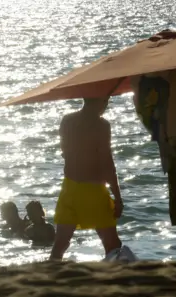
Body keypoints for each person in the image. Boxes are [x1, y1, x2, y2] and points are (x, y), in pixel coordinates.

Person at [50, 97, 124, 260]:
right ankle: (118, 278)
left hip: (69, 188)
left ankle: (49, 276)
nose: (106, 104)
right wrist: (117, 197)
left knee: (61, 243)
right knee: (112, 245)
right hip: (93, 191)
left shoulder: (67, 121)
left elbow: (64, 152)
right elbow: (107, 163)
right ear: (101, 102)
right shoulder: (101, 126)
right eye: (105, 101)